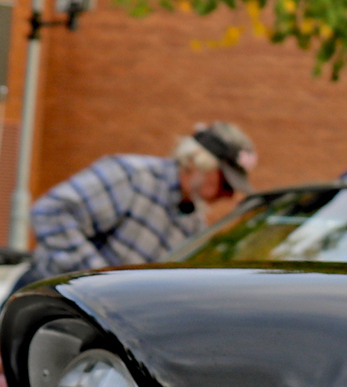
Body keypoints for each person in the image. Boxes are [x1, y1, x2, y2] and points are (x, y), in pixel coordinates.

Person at [15, 122, 256, 286]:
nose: (228, 195)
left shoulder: (193, 226)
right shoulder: (132, 176)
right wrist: (100, 281)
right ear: (197, 161)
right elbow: (51, 212)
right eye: (226, 182)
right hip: (45, 299)